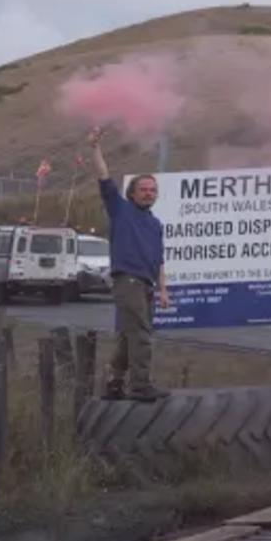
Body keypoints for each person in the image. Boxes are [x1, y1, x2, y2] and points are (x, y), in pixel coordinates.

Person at [89, 128, 169, 402]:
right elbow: (103, 175)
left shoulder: (156, 224)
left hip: (146, 284)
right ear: (131, 193)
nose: (149, 194)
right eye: (143, 190)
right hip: (128, 281)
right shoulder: (120, 209)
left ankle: (113, 383)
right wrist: (95, 148)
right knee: (142, 335)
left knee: (127, 336)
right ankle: (141, 386)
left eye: (152, 190)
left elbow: (159, 261)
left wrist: (163, 289)